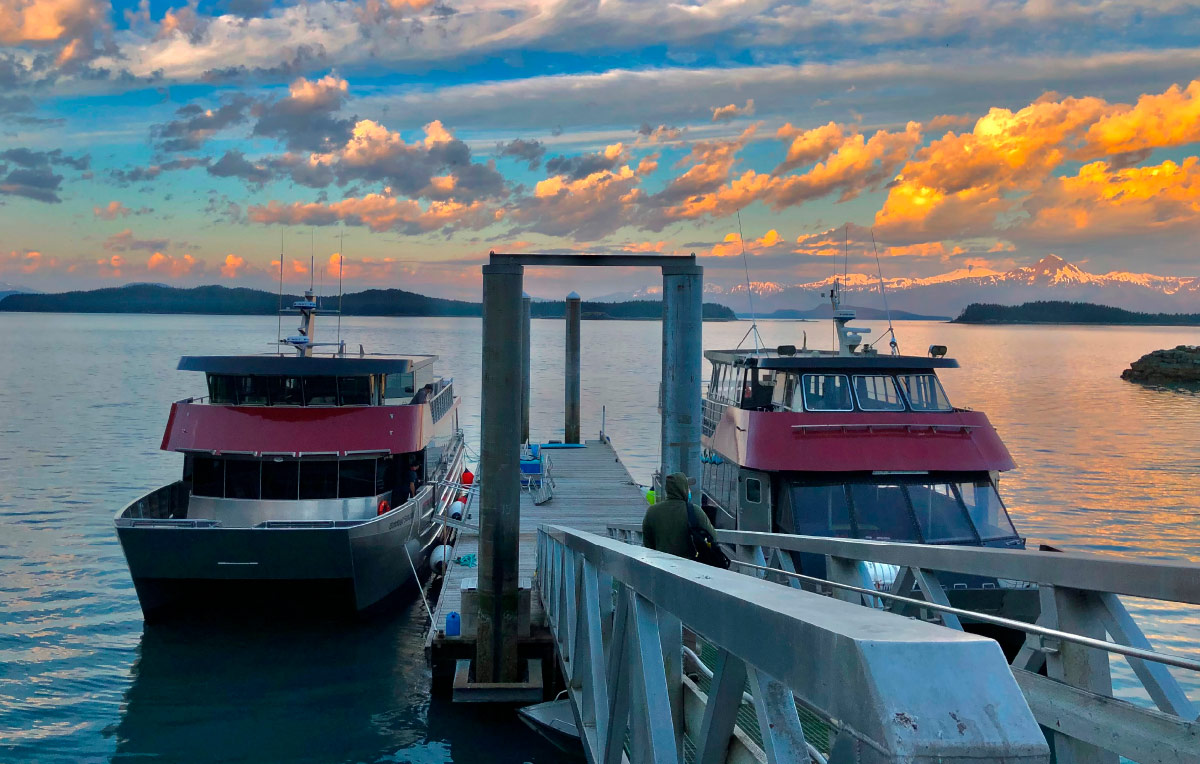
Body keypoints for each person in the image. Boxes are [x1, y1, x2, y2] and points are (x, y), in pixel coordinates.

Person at [642, 472, 718, 560]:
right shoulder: (694, 510)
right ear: (683, 489)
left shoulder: (652, 511)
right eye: (687, 487)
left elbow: (647, 542)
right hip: (689, 566)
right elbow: (713, 537)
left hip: (661, 564)